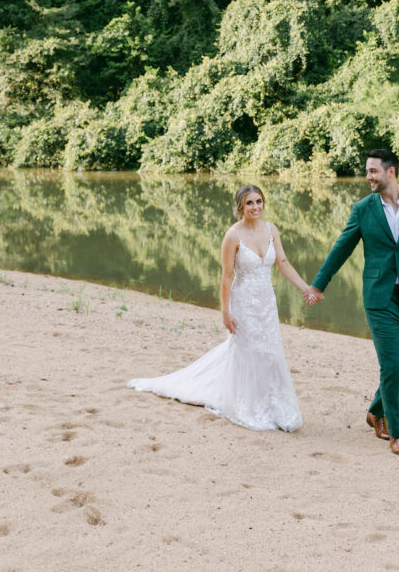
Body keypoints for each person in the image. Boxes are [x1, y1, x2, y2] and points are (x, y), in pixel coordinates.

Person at [304, 149, 399, 456]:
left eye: (374, 171)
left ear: (391, 172)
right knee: (392, 363)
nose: (369, 176)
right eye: (368, 171)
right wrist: (319, 285)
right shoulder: (362, 209)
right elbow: (341, 248)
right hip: (379, 297)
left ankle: (375, 411)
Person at [128, 184, 312, 432]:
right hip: (243, 301)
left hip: (267, 302)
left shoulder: (272, 230)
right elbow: (226, 277)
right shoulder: (232, 236)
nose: (255, 207)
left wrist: (305, 288)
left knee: (270, 351)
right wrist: (225, 311)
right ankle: (248, 404)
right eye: (249, 203)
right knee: (248, 350)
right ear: (240, 207)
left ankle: (274, 404)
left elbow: (284, 263)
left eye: (259, 201)